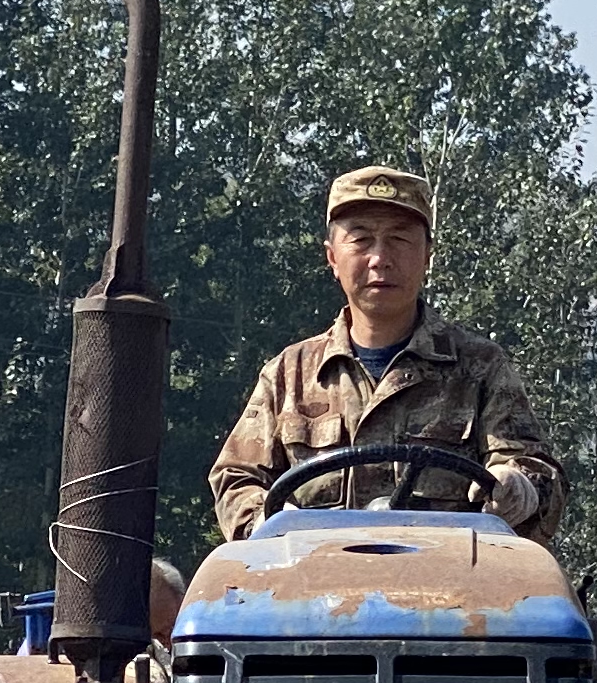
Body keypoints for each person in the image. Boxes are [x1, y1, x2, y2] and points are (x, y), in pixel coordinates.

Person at [209, 167, 569, 546]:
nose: (380, 258)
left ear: (427, 256)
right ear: (332, 258)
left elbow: (535, 473)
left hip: (448, 594)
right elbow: (236, 480)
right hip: (313, 590)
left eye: (399, 239)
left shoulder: (480, 368)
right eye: (361, 240)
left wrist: (518, 488)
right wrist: (277, 520)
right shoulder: (289, 375)